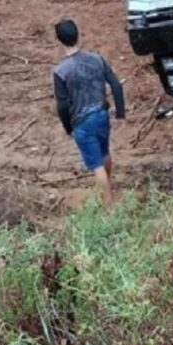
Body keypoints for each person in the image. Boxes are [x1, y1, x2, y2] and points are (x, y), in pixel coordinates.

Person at [52, 19, 126, 208]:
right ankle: (107, 187)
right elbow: (116, 85)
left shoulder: (61, 71)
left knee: (96, 165)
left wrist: (68, 127)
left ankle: (108, 206)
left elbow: (61, 105)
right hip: (102, 115)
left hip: (82, 121)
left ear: (59, 40)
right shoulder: (97, 59)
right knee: (104, 153)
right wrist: (120, 113)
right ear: (78, 34)